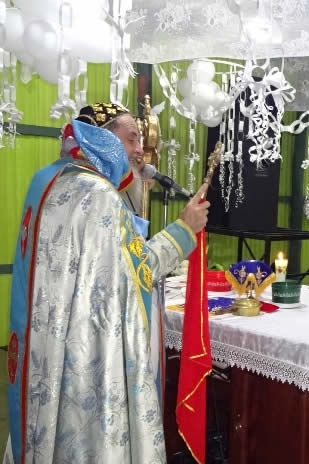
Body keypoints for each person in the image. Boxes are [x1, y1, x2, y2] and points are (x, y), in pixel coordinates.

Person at [7, 103, 210, 463]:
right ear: (102, 139)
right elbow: (137, 273)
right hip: (85, 351)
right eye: (131, 139)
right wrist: (184, 229)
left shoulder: (49, 179)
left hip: (46, 345)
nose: (139, 150)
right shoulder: (98, 195)